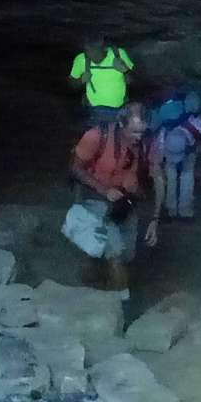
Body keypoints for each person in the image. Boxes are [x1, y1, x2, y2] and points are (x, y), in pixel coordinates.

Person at [67, 101, 161, 291]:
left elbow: (158, 180)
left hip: (125, 202)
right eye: (134, 132)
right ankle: (119, 299)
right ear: (121, 124)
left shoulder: (148, 143)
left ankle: (97, 278)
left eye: (142, 132)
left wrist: (154, 219)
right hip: (94, 198)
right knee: (115, 254)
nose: (138, 137)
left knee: (127, 256)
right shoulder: (96, 136)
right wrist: (104, 190)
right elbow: (75, 168)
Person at [149, 89, 201, 220]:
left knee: (181, 175)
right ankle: (175, 209)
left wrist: (194, 148)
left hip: (186, 148)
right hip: (173, 147)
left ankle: (180, 209)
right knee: (178, 175)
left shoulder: (195, 123)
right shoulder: (164, 134)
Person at [68, 39, 135, 127]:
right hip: (94, 111)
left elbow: (133, 80)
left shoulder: (118, 54)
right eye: (88, 51)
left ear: (104, 48)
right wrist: (81, 80)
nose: (91, 55)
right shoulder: (81, 59)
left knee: (118, 132)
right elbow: (71, 84)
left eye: (95, 51)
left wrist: (125, 70)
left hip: (119, 110)